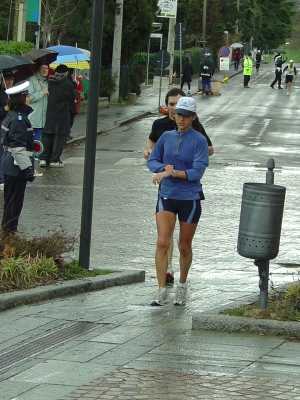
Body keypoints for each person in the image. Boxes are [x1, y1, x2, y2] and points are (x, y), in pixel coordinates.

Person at [143, 88, 214, 284]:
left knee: (184, 246)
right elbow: (153, 160)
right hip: (166, 194)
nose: (181, 119)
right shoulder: (166, 136)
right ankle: (161, 289)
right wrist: (161, 168)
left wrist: (172, 173)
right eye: (177, 115)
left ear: (193, 117)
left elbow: (197, 172)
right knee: (162, 242)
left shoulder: (199, 140)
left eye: (186, 116)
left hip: (189, 197)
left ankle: (182, 285)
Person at [0, 81, 35, 234]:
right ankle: (8, 235)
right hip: (16, 166)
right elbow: (18, 147)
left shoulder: (11, 115)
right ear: (21, 98)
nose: (29, 98)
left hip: (9, 164)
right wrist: (27, 169)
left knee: (10, 202)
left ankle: (7, 233)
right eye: (27, 95)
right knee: (14, 204)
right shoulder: (19, 119)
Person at [38, 64, 76, 168]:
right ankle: (55, 159)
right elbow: (72, 97)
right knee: (60, 136)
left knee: (47, 135)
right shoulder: (67, 84)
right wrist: (74, 85)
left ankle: (43, 158)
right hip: (62, 113)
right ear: (66, 73)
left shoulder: (48, 82)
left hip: (48, 112)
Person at [0, 70, 15, 191]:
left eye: (11, 80)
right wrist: (5, 109)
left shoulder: (11, 94)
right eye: (7, 79)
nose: (9, 82)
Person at [67, 68, 83, 141]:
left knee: (71, 119)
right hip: (69, 104)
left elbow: (78, 92)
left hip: (73, 105)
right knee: (68, 119)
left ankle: (68, 132)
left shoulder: (77, 80)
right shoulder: (68, 81)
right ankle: (67, 133)